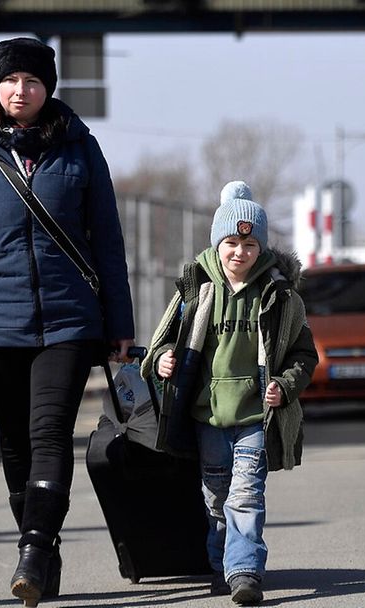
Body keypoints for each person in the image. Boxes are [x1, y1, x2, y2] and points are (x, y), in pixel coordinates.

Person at [0, 37, 135, 607]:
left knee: (48, 433)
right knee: (14, 445)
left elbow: (108, 245)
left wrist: (120, 324)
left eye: (33, 80)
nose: (21, 90)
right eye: (11, 80)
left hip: (68, 322)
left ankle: (33, 548)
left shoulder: (81, 149)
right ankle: (43, 542)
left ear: (48, 88)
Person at [141, 181, 318, 606]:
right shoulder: (196, 290)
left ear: (262, 248)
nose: (240, 252)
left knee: (245, 495)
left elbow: (303, 355)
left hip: (256, 417)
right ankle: (222, 565)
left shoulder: (280, 297)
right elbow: (162, 342)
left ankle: (244, 573)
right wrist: (163, 360)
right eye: (232, 243)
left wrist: (284, 385)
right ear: (218, 243)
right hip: (208, 419)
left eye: (250, 244)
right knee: (216, 499)